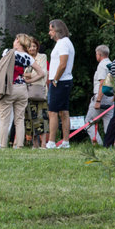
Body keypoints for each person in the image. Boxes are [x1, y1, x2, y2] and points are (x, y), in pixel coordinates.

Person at [0, 34, 45, 149]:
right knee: (19, 119)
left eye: (15, 39)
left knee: (4, 119)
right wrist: (28, 80)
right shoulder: (28, 57)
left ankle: (2, 145)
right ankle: (19, 145)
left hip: (9, 88)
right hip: (22, 89)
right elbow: (41, 73)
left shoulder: (8, 52)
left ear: (17, 41)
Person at [45, 19, 75, 149]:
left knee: (53, 112)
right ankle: (65, 141)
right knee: (64, 112)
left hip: (60, 81)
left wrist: (55, 79)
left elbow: (63, 63)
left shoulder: (63, 43)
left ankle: (51, 142)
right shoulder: (65, 42)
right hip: (64, 80)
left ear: (57, 30)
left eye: (51, 29)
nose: (49, 32)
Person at [84, 45, 113, 146]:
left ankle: (98, 144)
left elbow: (102, 83)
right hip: (111, 99)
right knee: (108, 125)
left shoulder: (101, 65)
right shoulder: (111, 64)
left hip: (101, 97)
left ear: (99, 54)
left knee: (89, 121)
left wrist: (98, 100)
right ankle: (110, 145)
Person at [24, 38, 48, 148]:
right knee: (30, 117)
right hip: (26, 92)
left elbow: (42, 73)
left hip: (39, 91)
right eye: (30, 46)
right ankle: (35, 143)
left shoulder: (42, 57)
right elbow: (23, 74)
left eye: (34, 46)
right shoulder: (24, 57)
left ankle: (43, 143)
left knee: (42, 116)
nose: (32, 48)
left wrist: (28, 79)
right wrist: (32, 75)